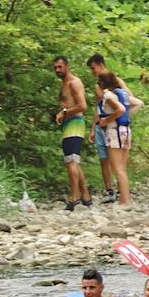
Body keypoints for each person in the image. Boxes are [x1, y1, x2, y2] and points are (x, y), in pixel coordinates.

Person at [87, 56, 143, 203]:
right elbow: (100, 108)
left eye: (93, 68)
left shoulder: (112, 88)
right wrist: (94, 128)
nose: (92, 72)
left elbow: (123, 104)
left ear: (101, 65)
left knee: (118, 166)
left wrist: (111, 119)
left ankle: (123, 197)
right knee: (111, 162)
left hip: (114, 129)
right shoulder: (108, 89)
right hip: (121, 128)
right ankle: (118, 194)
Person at [53, 56, 93, 210]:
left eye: (60, 67)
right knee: (73, 161)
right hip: (68, 124)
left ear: (67, 66)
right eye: (55, 67)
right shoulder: (64, 83)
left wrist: (64, 112)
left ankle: (74, 197)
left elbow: (82, 106)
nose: (57, 70)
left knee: (71, 161)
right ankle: (86, 197)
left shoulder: (74, 82)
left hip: (75, 123)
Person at [94, 72, 134, 206]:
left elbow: (120, 109)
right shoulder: (120, 94)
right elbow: (136, 103)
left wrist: (106, 121)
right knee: (122, 168)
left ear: (102, 84)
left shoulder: (108, 95)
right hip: (126, 130)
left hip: (114, 132)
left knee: (118, 168)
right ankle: (125, 198)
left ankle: (125, 200)